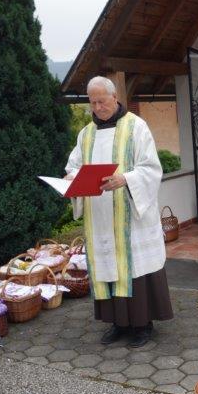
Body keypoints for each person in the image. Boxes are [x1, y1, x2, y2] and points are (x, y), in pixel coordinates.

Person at [65, 76, 173, 348]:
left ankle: (142, 324)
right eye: (93, 103)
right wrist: (70, 178)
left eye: (102, 101)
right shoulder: (86, 134)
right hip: (100, 218)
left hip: (131, 218)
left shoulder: (136, 127)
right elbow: (74, 165)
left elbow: (151, 168)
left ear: (115, 97)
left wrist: (125, 179)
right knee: (108, 267)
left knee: (134, 268)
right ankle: (118, 323)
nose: (97, 107)